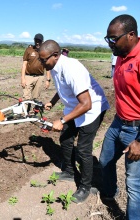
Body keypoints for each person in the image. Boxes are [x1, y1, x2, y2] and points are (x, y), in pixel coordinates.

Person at [100, 14, 140, 220]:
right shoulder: (121, 54)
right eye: (107, 39)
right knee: (105, 160)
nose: (110, 43)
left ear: (131, 35)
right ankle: (110, 193)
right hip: (120, 121)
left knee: (135, 184)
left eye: (113, 38)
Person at [38, 40, 110, 203]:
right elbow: (63, 87)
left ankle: (85, 186)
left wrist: (62, 120)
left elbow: (87, 103)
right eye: (40, 60)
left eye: (44, 60)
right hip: (76, 106)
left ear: (55, 55)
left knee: (84, 149)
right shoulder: (54, 66)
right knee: (65, 139)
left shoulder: (71, 68)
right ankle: (70, 172)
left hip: (92, 109)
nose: (42, 63)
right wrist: (52, 101)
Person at [21, 33, 51, 112]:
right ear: (34, 40)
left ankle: (34, 111)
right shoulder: (29, 50)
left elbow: (48, 67)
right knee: (26, 96)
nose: (37, 42)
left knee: (36, 97)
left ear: (42, 42)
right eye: (36, 40)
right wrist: (23, 78)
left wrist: (48, 80)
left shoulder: (45, 52)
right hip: (28, 76)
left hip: (40, 77)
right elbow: (24, 64)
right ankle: (24, 113)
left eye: (39, 41)